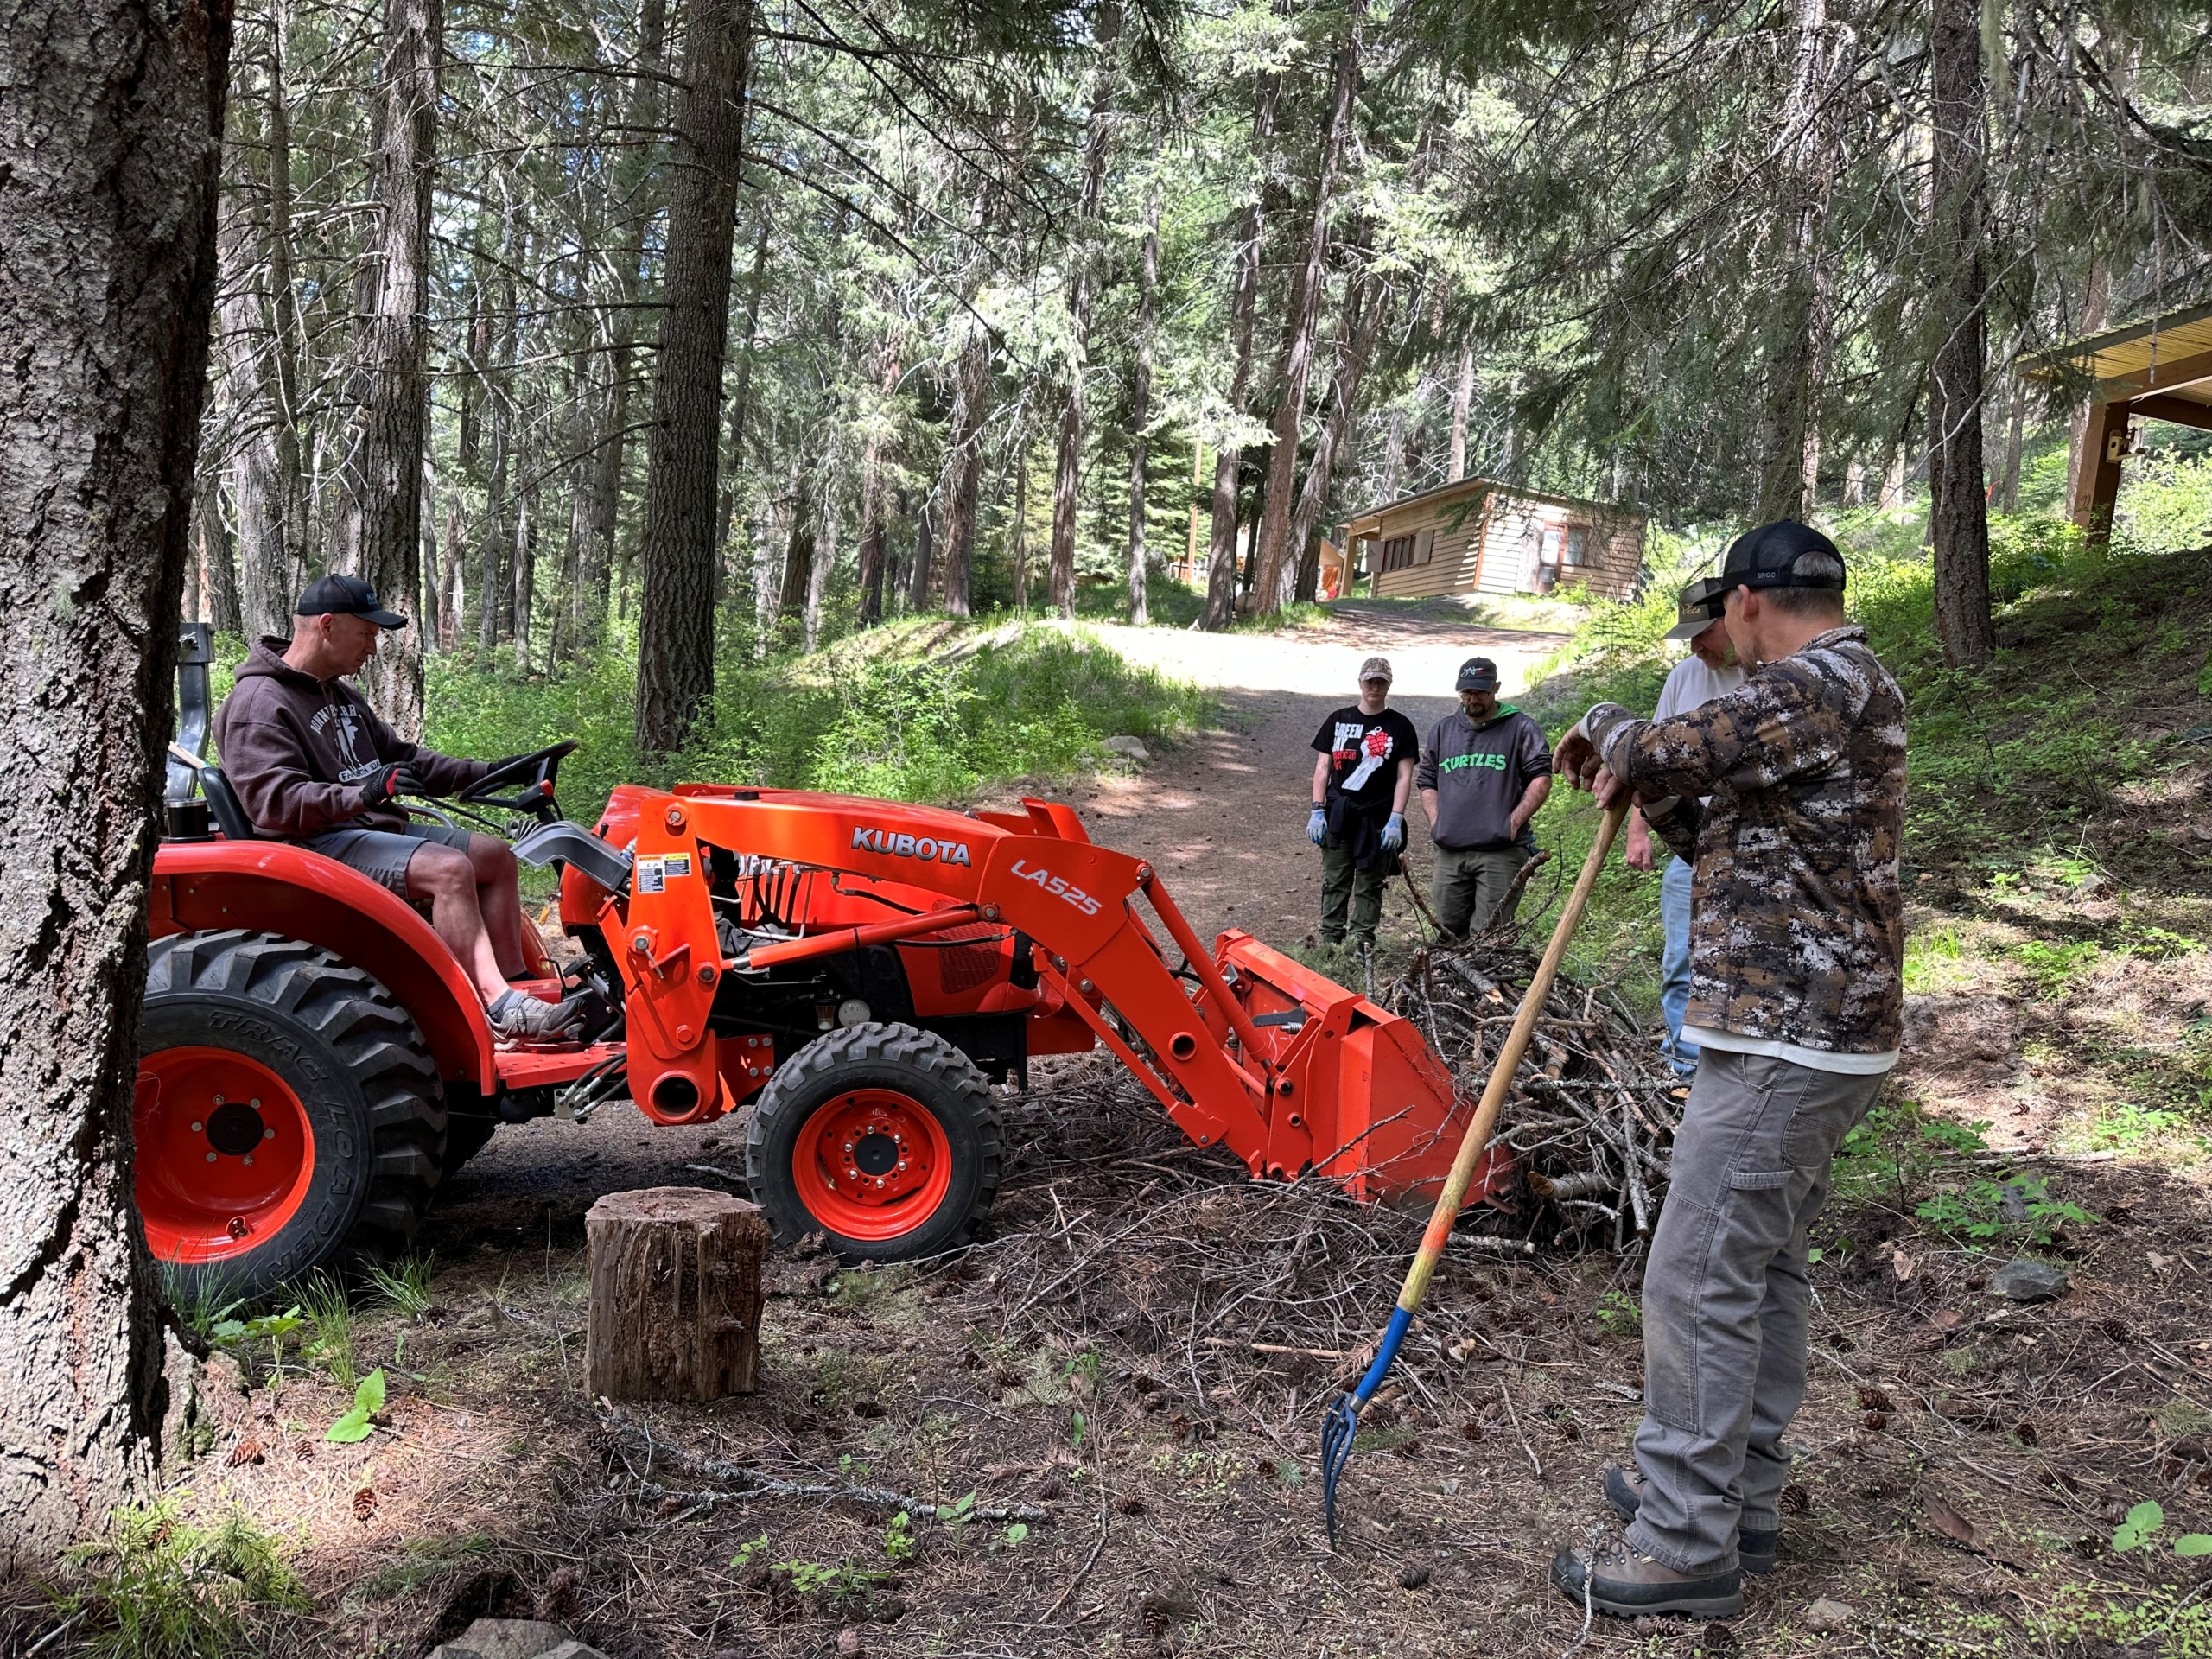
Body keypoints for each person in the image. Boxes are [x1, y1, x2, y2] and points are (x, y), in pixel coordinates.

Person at [1547, 521, 1906, 1622]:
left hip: (1790, 1038)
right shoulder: (1814, 705)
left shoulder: (1824, 681)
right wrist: (1638, 782)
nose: (1722, 642)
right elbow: (1708, 817)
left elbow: (1668, 746)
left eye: (1723, 619)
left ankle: (1683, 1539)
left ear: (1748, 600)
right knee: (1756, 1267)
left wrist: (1605, 731)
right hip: (1788, 1030)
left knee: (1695, 1274)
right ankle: (1730, 1492)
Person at [214, 575, 585, 1040]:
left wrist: (492, 769)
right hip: (310, 845)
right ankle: (494, 1006)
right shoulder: (258, 702)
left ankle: (516, 985)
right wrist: (365, 793)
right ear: (327, 626)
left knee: (495, 856)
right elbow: (275, 805)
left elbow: (406, 760)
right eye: (366, 633)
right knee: (448, 870)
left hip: (360, 829)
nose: (373, 647)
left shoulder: (341, 694)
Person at [1626, 579, 1746, 1074]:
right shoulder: (1684, 677)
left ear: (1738, 615)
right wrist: (1639, 830)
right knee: (1681, 957)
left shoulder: (1771, 677)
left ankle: (1732, 1069)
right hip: (1690, 846)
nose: (1697, 645)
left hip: (1749, 846)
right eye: (1689, 634)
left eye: (1705, 631)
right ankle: (1682, 1062)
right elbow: (1645, 762)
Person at [1414, 657, 1553, 938]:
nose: (1472, 699)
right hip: (1450, 850)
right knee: (1448, 931)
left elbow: (1541, 778)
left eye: (1480, 692)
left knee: (1488, 936)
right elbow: (1427, 779)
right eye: (1466, 692)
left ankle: (1487, 984)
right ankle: (1451, 983)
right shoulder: (1444, 730)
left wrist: (1513, 822)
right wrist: (1437, 822)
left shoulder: (1520, 727)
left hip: (1500, 851)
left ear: (1495, 688)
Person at [1306, 657, 1418, 954]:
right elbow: (1322, 768)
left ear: (1388, 685)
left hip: (1378, 819)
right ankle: (1330, 945)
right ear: (1360, 682)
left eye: (1380, 681)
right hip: (1339, 815)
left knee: (1370, 883)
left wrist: (1396, 818)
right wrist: (1317, 810)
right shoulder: (1338, 719)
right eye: (1370, 681)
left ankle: (1360, 946)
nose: (1374, 687)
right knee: (1335, 880)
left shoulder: (1401, 726)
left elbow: (1404, 776)